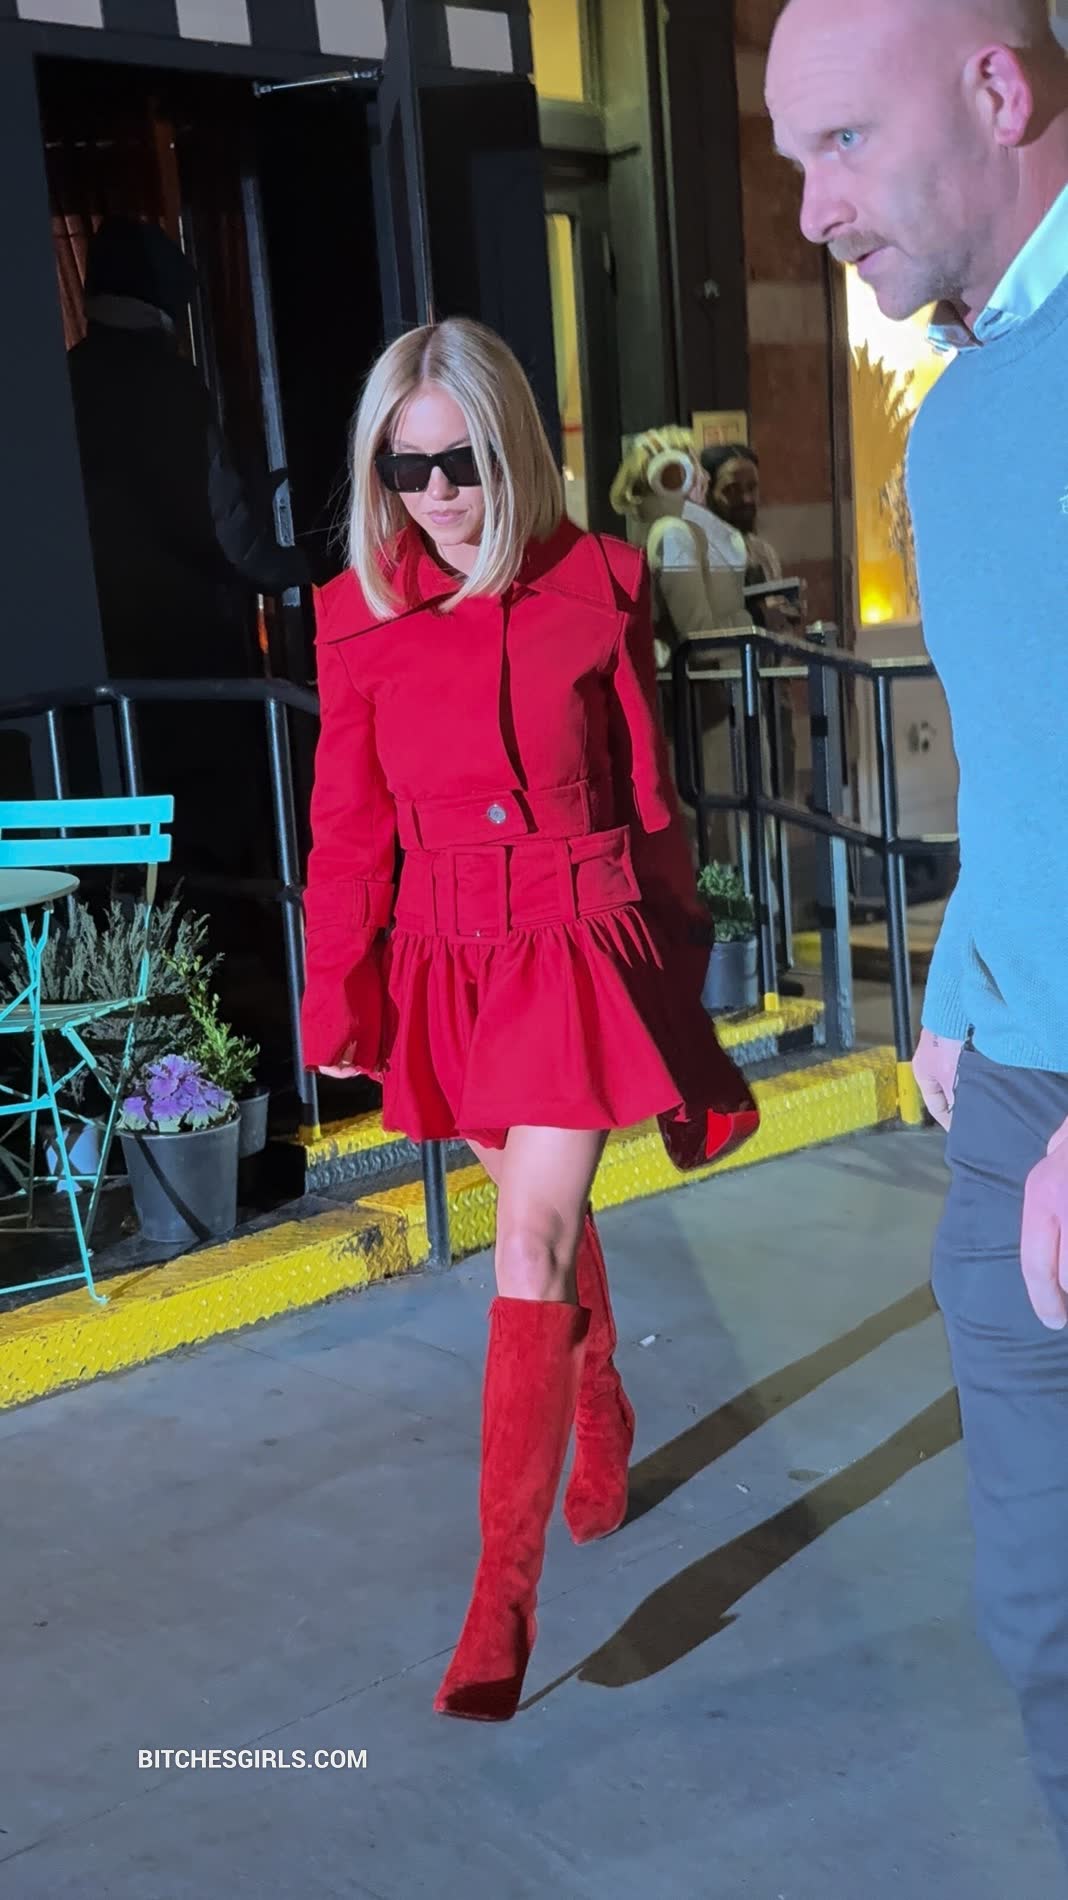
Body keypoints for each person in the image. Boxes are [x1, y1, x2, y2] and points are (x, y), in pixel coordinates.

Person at [300, 319, 758, 1723]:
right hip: (446, 955)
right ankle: (596, 1386)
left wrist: (677, 967)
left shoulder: (600, 581)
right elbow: (346, 829)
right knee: (535, 1214)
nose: (436, 494)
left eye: (463, 462)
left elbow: (648, 792)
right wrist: (338, 988)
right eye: (407, 467)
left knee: (529, 1238)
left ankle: (498, 1605)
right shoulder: (355, 616)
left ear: (512, 452)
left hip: (572, 933)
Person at [768, 0, 1068, 1862]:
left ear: (998, 89)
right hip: (1014, 1094)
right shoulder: (961, 415)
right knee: (1044, 1632)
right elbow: (1031, 755)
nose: (812, 208)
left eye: (842, 143)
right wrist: (962, 976)